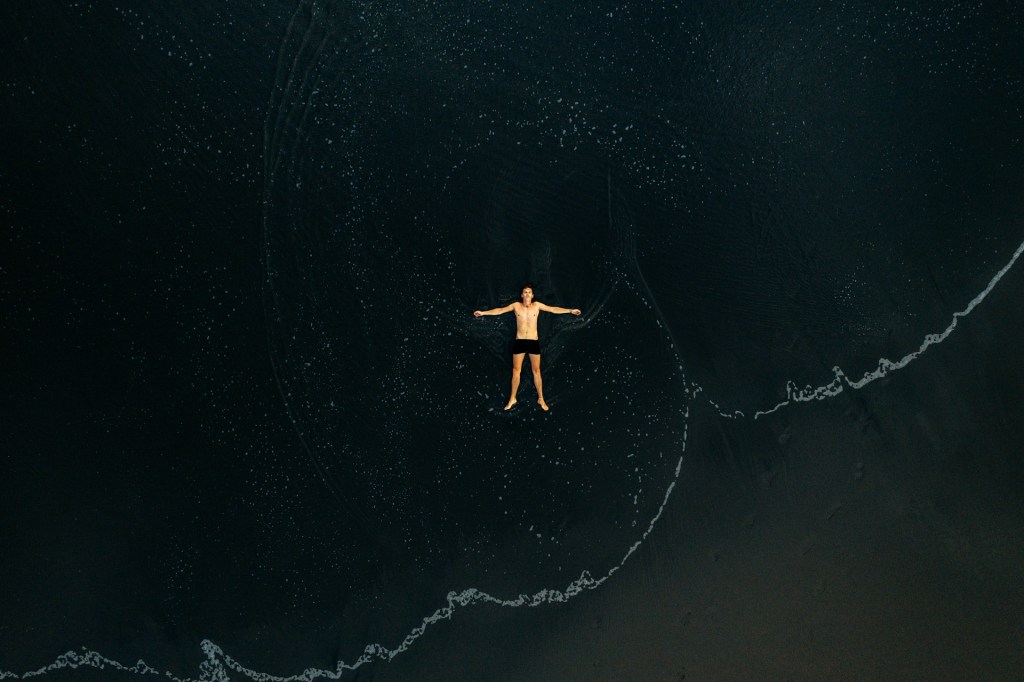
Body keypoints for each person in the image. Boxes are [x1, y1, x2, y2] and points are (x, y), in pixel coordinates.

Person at [474, 284, 581, 411]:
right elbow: (500, 310)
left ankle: (541, 398)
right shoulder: (516, 306)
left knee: (536, 371)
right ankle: (512, 398)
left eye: (529, 292)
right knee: (516, 371)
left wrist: (570, 310)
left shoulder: (537, 306)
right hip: (520, 342)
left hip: (533, 342)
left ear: (532, 295)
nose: (527, 294)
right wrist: (483, 313)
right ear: (521, 295)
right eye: (525, 292)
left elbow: (553, 309)